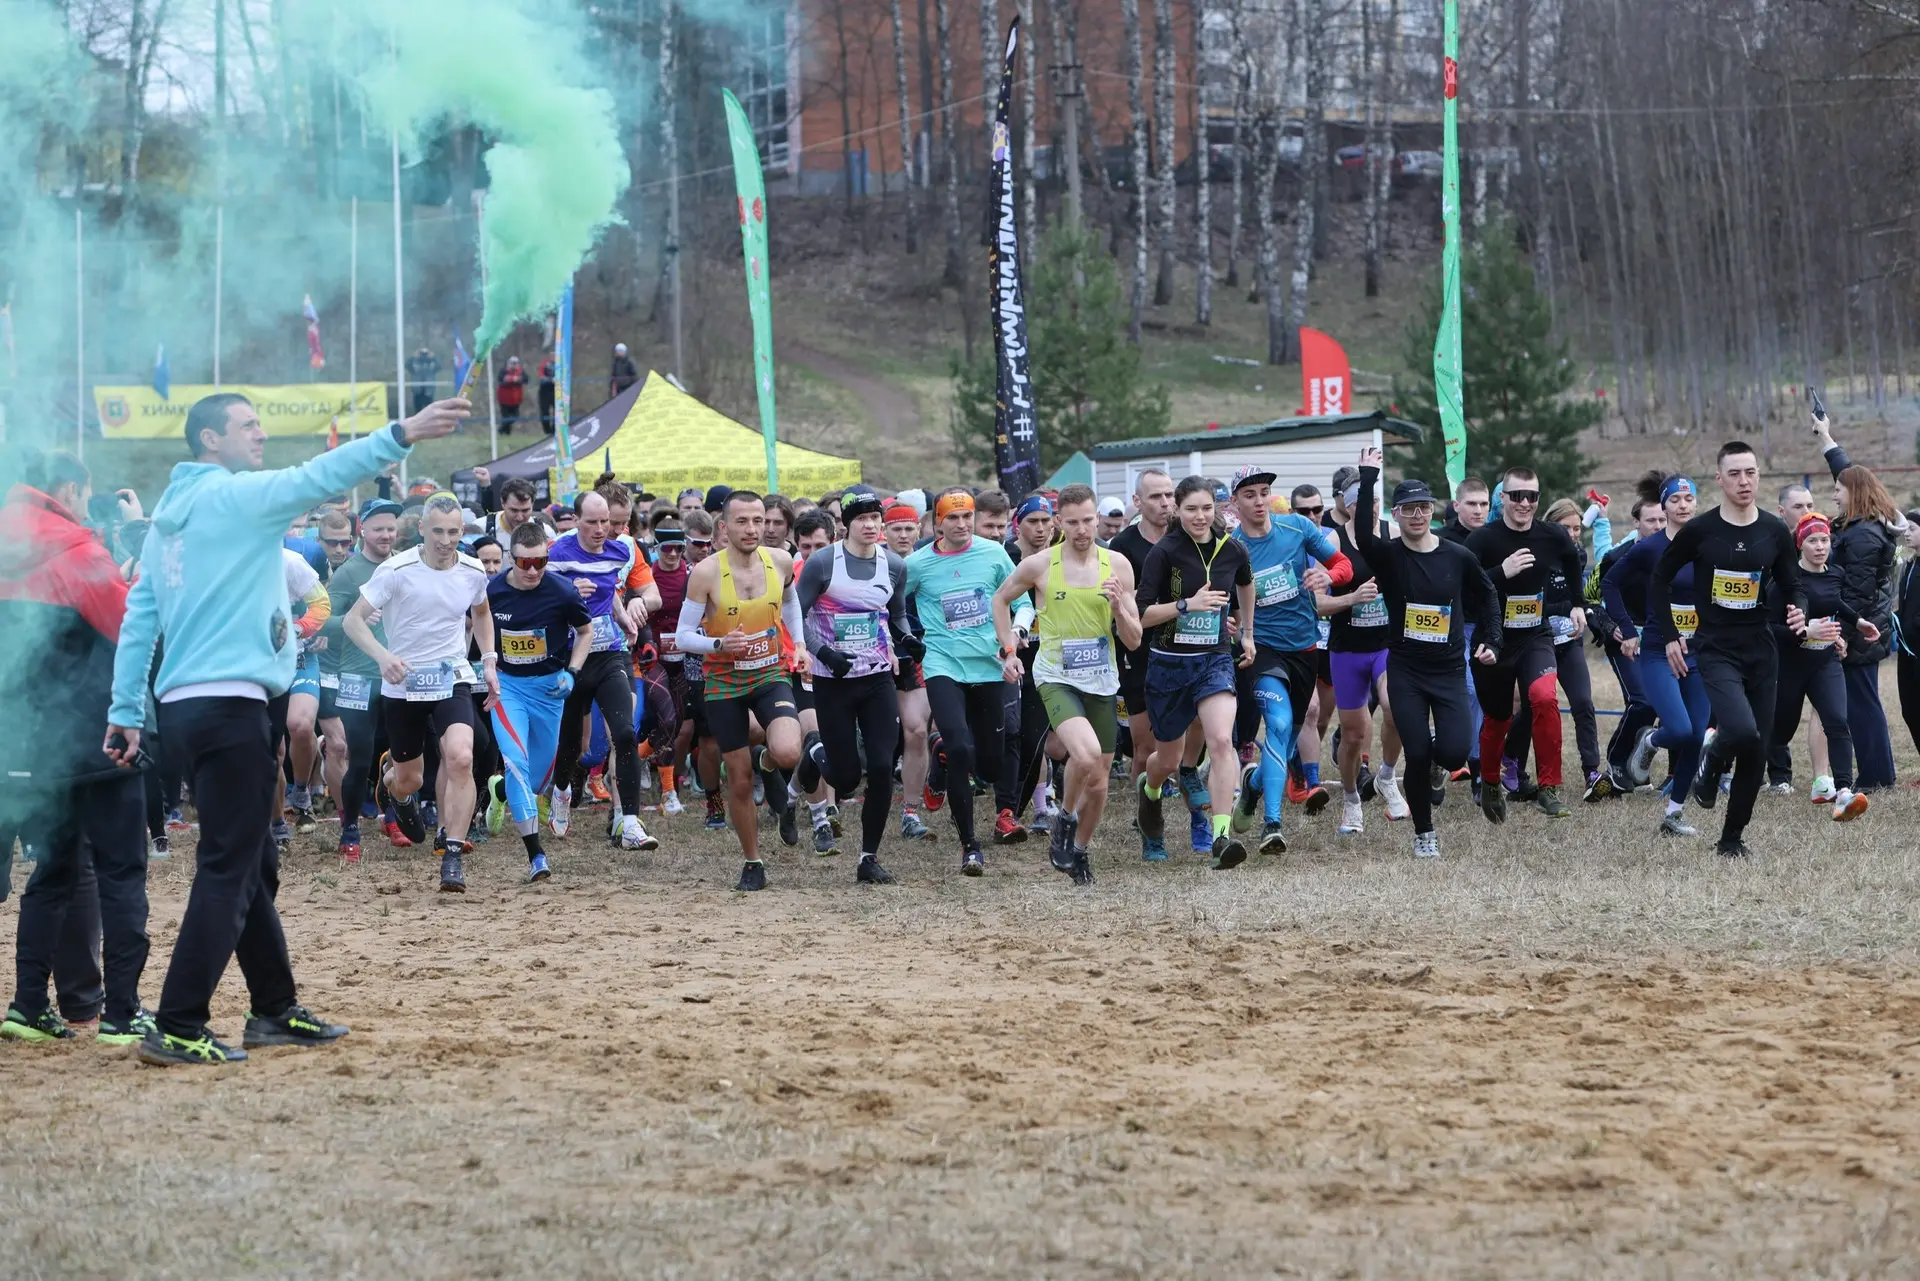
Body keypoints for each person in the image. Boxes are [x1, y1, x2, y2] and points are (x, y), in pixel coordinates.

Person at [108, 392, 463, 1064]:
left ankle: (272, 1007)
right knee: (227, 864)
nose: (261, 434)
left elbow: (139, 621)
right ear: (211, 439)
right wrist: (400, 433)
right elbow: (318, 477)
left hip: (184, 708)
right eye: (248, 425)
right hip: (232, 705)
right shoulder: (235, 496)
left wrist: (126, 711)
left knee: (253, 862)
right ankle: (180, 1020)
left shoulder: (164, 525)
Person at [0, 451, 153, 1046]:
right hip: (95, 739)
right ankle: (121, 1014)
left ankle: (27, 1006)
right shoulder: (78, 551)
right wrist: (139, 548)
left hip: (27, 742)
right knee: (121, 874)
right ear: (67, 488)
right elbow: (130, 625)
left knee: (52, 872)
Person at [1647, 441, 1817, 858]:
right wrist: (1670, 634)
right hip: (1715, 647)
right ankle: (1711, 760)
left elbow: (1794, 583)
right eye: (1735, 474)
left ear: (1758, 476)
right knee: (1739, 731)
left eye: (1751, 472)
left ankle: (1730, 839)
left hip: (1760, 648)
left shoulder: (1774, 532)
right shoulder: (1701, 531)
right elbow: (1659, 580)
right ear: (1720, 479)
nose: (1744, 481)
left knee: (1758, 750)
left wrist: (1800, 611)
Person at [1350, 449, 1502, 858]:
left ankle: (1435, 764)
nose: (1417, 515)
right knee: (1416, 752)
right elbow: (1363, 534)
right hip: (1406, 672)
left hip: (1450, 669)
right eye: (1408, 509)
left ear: (1432, 511)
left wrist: (1493, 639)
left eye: (1423, 508)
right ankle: (1424, 833)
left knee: (1452, 753)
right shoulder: (1388, 556)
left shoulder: (1456, 555)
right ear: (1396, 515)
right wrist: (1368, 478)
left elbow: (1488, 595)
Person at [345, 494, 498, 892]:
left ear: (462, 532)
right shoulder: (396, 570)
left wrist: (489, 660)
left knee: (461, 756)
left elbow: (481, 613)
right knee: (410, 780)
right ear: (422, 531)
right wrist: (383, 657)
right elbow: (352, 621)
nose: (445, 540)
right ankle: (392, 783)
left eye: (453, 532)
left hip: (451, 677)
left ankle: (451, 853)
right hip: (403, 683)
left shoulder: (472, 569)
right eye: (438, 532)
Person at [992, 484, 1141, 885]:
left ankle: (1078, 851)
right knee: (1086, 754)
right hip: (1056, 676)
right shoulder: (1040, 565)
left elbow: (1134, 638)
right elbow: (1000, 600)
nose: (1081, 529)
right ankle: (1065, 817)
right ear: (1060, 522)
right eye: (1072, 522)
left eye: (1087, 521)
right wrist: (1008, 650)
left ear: (1097, 519)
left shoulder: (1118, 566)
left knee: (1101, 780)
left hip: (1102, 679)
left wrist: (1118, 608)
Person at [674, 491, 806, 891]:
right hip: (724, 684)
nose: (752, 529)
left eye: (758, 521)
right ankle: (753, 862)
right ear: (723, 527)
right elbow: (681, 636)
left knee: (788, 751)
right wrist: (718, 644)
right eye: (743, 522)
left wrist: (798, 645)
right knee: (741, 780)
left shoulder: (780, 561)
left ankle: (771, 763)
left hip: (770, 674)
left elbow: (791, 604)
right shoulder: (706, 573)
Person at [792, 490, 920, 884]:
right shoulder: (822, 563)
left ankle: (869, 857)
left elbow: (896, 615)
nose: (869, 524)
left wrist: (909, 639)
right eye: (861, 518)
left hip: (877, 678)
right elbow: (794, 614)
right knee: (846, 778)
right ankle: (815, 754)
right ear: (845, 524)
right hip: (833, 682)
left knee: (881, 767)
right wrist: (821, 652)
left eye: (874, 517)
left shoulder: (894, 565)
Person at [1133, 477, 1256, 871]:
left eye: (1206, 508)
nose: (1200, 517)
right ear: (1178, 511)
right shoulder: (1164, 551)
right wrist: (1187, 604)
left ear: (1215, 509)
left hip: (1214, 660)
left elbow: (1246, 584)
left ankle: (1221, 837)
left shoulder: (1231, 547)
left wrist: (1247, 631)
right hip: (1168, 665)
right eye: (1191, 509)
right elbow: (1142, 613)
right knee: (1166, 761)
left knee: (1221, 741)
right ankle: (1148, 790)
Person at [1225, 466, 1351, 851]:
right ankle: (1272, 825)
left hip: (1304, 649)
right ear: (1235, 502)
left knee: (1288, 736)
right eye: (1249, 495)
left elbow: (1343, 566)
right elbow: (1220, 603)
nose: (1259, 500)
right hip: (1260, 651)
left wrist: (1329, 578)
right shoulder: (1230, 548)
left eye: (1264, 492)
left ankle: (1253, 786)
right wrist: (1230, 625)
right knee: (1277, 726)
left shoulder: (1297, 527)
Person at [903, 490, 1024, 874]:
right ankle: (970, 846)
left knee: (988, 765)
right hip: (943, 665)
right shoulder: (917, 564)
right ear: (937, 523)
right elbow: (893, 605)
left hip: (989, 665)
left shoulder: (993, 554)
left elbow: (1020, 600)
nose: (960, 524)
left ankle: (942, 757)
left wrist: (1016, 635)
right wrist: (907, 639)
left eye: (966, 516)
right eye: (952, 518)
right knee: (959, 749)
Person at [1466, 466, 1586, 821]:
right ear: (1502, 497)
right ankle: (1489, 783)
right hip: (1493, 641)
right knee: (1499, 718)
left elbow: (1573, 560)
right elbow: (1463, 590)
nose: (1524, 503)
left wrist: (1579, 604)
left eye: (1531, 496)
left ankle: (1549, 788)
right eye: (1516, 495)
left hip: (1535, 635)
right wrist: (1502, 572)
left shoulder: (1552, 536)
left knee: (1545, 698)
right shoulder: (1483, 540)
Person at [548, 492, 655, 850]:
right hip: (571, 659)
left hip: (610, 654)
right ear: (576, 520)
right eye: (591, 522)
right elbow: (539, 598)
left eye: (605, 522)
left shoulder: (621, 550)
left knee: (625, 734)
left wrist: (625, 618)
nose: (599, 529)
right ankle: (562, 791)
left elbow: (609, 591)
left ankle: (630, 824)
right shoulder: (558, 553)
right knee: (570, 745)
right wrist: (567, 591)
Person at [1605, 474, 1710, 838]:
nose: (1683, 505)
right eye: (1675, 499)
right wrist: (1626, 628)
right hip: (1656, 652)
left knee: (1696, 736)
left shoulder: (1707, 544)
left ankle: (1674, 815)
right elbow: (1610, 582)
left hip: (1697, 653)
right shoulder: (1650, 548)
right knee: (1678, 729)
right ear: (1663, 506)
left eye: (1688, 498)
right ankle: (1649, 741)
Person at [488, 522, 594, 881]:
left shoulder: (562, 591)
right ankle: (537, 857)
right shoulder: (493, 591)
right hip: (508, 688)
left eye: (540, 562)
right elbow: (475, 628)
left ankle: (499, 790)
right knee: (515, 762)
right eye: (524, 563)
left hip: (550, 689)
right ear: (511, 559)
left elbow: (585, 631)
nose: (533, 570)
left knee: (536, 779)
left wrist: (573, 672)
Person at [1313, 465, 1410, 835]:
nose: (1369, 508)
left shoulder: (1393, 534)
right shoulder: (1333, 543)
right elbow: (1318, 605)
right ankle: (1352, 799)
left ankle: (1387, 775)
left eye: (1373, 502)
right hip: (1347, 650)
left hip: (1387, 645)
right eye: (1360, 502)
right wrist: (1352, 598)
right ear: (1347, 506)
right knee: (1353, 734)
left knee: (1395, 707)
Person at [1812, 412, 1902, 790]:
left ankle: (1877, 776)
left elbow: (1858, 594)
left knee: (1862, 704)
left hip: (1860, 632)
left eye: (1839, 489)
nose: (1834, 492)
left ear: (1855, 494)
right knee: (1860, 702)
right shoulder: (1862, 524)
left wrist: (1842, 633)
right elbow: (1849, 471)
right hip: (1860, 630)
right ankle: (1876, 772)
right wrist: (1825, 437)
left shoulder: (1864, 536)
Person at [316, 499, 401, 861]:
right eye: (378, 528)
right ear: (362, 530)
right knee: (361, 757)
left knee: (401, 754)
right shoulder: (350, 572)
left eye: (391, 528)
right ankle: (350, 826)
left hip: (398, 675)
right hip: (358, 677)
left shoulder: (405, 564)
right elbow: (322, 621)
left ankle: (393, 816)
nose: (385, 534)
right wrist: (354, 620)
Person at [1770, 513, 1870, 821]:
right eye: (1812, 540)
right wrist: (1805, 632)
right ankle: (1727, 766)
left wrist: (1857, 623)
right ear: (1800, 544)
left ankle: (1843, 792)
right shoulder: (1784, 582)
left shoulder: (1835, 573)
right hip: (1790, 665)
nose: (1819, 546)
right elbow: (1768, 628)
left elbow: (1835, 603)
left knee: (1838, 721)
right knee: (1779, 731)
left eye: (1824, 540)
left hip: (1825, 662)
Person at [1108, 468, 1179, 859]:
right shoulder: (1122, 546)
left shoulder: (1184, 538)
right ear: (1137, 502)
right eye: (1155, 496)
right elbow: (1128, 609)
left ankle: (1167, 792)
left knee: (1186, 745)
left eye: (1169, 494)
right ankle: (1146, 817)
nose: (1165, 502)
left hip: (1184, 648)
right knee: (1143, 745)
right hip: (1137, 650)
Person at [1586, 489, 1663, 796]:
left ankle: (1642, 769)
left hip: (1663, 639)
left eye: (1663, 519)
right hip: (1624, 639)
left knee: (1664, 706)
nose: (1658, 525)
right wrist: (1611, 626)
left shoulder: (1678, 553)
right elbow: (1590, 600)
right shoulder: (1616, 557)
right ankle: (1617, 763)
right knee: (1643, 700)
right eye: (1651, 520)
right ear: (1636, 522)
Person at [882, 503, 936, 842]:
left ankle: (911, 812)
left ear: (919, 530)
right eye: (896, 529)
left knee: (916, 730)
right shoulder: (871, 563)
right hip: (869, 655)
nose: (903, 535)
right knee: (881, 737)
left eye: (909, 528)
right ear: (884, 532)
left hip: (913, 654)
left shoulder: (927, 562)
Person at [496, 357, 528, 434]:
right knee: (506, 417)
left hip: (516, 399)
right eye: (512, 363)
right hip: (504, 398)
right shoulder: (503, 371)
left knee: (515, 416)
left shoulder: (521, 371)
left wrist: (518, 379)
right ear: (508, 363)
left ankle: (501, 429)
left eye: (515, 363)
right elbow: (500, 380)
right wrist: (511, 380)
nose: (514, 365)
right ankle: (506, 433)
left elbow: (526, 380)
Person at [406, 347, 441, 416]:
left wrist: (433, 357)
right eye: (422, 353)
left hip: (429, 390)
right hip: (417, 390)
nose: (423, 355)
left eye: (425, 353)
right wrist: (413, 357)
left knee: (430, 410)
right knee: (418, 411)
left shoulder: (432, 362)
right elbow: (407, 365)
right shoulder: (415, 362)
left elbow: (439, 366)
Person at [538, 356, 557, 433]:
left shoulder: (560, 364)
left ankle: (554, 429)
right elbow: (541, 378)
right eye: (551, 354)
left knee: (558, 411)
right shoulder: (544, 364)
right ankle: (547, 430)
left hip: (556, 390)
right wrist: (551, 380)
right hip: (544, 391)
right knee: (544, 411)